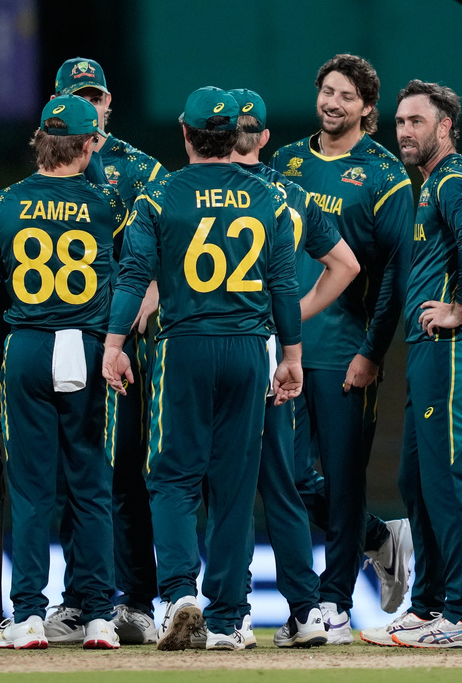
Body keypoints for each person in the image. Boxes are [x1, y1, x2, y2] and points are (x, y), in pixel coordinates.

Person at [103, 87, 303, 652]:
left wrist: (114, 344)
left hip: (182, 346)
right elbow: (283, 285)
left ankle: (179, 594)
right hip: (247, 348)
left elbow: (135, 274)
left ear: (187, 134)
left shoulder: (159, 195)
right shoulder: (269, 198)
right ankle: (227, 619)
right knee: (235, 487)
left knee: (171, 477)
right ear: (233, 136)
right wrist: (291, 356)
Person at [0, 95, 127, 650]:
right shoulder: (108, 203)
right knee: (92, 487)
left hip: (28, 346)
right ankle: (100, 616)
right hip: (87, 347)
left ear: (42, 140)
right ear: (87, 145)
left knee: (32, 490)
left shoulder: (2, 205)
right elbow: (129, 279)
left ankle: (31, 615)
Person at [269, 54, 415, 641]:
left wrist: (373, 351)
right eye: (326, 91)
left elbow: (397, 276)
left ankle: (334, 603)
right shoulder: (285, 162)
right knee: (290, 478)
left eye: (346, 96)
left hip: (345, 348)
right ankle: (379, 537)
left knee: (344, 477)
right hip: (287, 347)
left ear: (367, 108)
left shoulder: (385, 176)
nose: (333, 103)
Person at [362, 80, 462, 648]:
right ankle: (428, 607)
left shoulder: (456, 177)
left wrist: (461, 309)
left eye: (416, 121)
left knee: (445, 482)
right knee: (416, 480)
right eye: (399, 122)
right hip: (430, 353)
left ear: (444, 127)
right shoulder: (432, 185)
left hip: (453, 350)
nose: (404, 131)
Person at [227, 87, 360, 648]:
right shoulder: (289, 191)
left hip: (206, 347)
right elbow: (346, 264)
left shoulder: (176, 190)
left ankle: (228, 615)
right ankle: (306, 613)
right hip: (268, 352)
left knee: (217, 485)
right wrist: (291, 324)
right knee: (282, 485)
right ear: (265, 140)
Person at [44, 57, 165, 647]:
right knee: (77, 472)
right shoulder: (52, 166)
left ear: (109, 101)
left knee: (121, 475)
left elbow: (174, 241)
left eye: (94, 95)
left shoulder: (140, 168)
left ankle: (137, 601)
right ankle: (80, 599)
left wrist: (144, 302)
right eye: (76, 95)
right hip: (65, 337)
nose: (88, 104)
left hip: (116, 343)